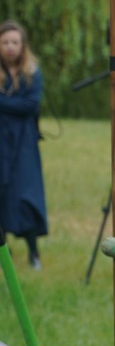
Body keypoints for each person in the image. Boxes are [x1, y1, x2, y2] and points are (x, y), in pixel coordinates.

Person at [0, 20, 48, 270]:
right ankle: (3, 253)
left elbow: (30, 105)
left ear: (22, 45)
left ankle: (34, 253)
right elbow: (24, 105)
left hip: (25, 142)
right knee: (2, 192)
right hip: (1, 142)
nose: (10, 47)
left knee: (26, 194)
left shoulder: (32, 72)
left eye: (14, 42)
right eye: (5, 42)